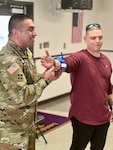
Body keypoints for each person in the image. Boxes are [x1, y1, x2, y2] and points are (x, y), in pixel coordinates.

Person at [41, 23, 113, 150]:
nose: (97, 41)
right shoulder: (80, 57)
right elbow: (67, 63)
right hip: (83, 118)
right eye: (93, 38)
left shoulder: (106, 61)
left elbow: (108, 88)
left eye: (100, 37)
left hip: (103, 119)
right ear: (85, 39)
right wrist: (54, 63)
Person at [0, 14, 60, 150]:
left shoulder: (25, 53)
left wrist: (47, 75)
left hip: (27, 128)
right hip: (11, 135)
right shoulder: (9, 61)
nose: (35, 33)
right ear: (16, 32)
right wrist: (46, 80)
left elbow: (29, 80)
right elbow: (24, 95)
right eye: (31, 29)